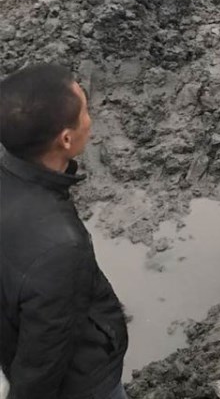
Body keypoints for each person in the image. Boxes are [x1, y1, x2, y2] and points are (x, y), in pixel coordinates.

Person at [0, 64, 129, 399]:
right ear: (66, 139)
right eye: (85, 111)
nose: (90, 119)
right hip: (85, 385)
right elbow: (41, 362)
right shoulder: (61, 248)